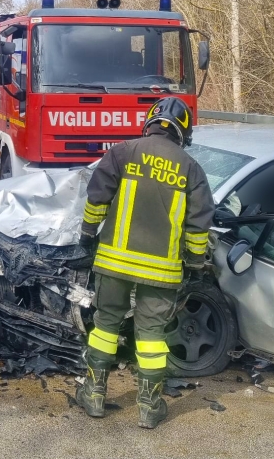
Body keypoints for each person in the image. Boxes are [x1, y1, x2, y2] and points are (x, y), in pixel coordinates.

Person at [75, 97, 214, 429]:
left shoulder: (123, 152)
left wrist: (87, 233)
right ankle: (150, 408)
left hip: (114, 263)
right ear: (183, 132)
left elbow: (97, 199)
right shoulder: (191, 168)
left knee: (105, 323)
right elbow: (198, 227)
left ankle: (93, 395)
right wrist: (195, 262)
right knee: (151, 334)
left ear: (150, 122)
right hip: (161, 270)